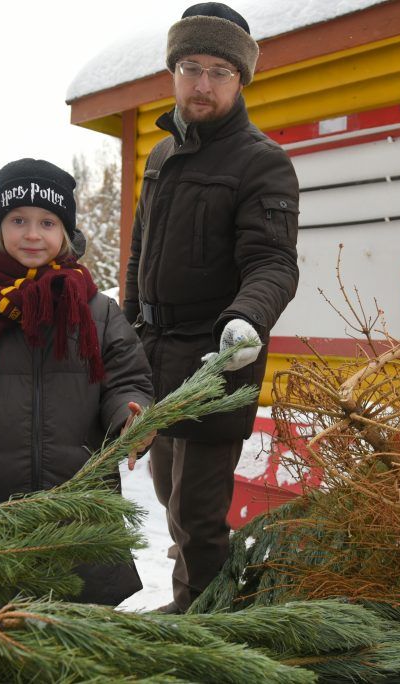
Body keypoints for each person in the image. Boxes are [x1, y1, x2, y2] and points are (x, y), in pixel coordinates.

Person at [122, 2, 300, 613]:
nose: (203, 84)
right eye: (191, 67)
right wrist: (123, 336)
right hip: (155, 359)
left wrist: (246, 319)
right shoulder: (161, 158)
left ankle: (210, 630)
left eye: (220, 71)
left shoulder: (261, 161)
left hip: (216, 362)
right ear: (173, 72)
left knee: (199, 517)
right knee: (172, 502)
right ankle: (192, 607)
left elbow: (274, 263)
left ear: (241, 79)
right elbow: (138, 257)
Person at [0, 158, 154, 606]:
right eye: (17, 219)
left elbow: (127, 381)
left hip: (82, 511)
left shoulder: (97, 311)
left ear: (65, 233)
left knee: (82, 645)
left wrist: (129, 418)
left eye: (47, 221)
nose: (31, 233)